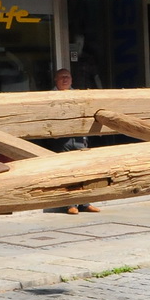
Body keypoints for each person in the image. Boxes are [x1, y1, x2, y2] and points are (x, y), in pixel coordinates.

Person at [46, 69, 98, 214]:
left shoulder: (78, 95)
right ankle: (70, 205)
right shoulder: (48, 96)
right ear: (55, 80)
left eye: (67, 77)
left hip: (80, 138)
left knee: (83, 171)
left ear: (72, 80)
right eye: (62, 77)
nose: (65, 80)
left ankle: (85, 203)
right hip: (61, 140)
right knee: (67, 172)